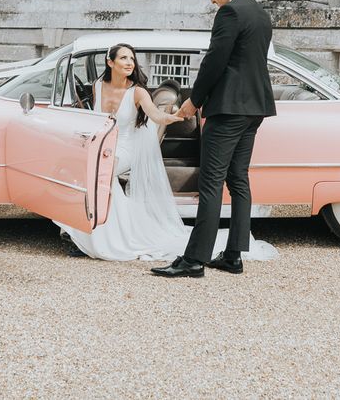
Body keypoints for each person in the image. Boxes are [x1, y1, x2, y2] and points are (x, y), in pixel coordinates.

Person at [58, 43, 277, 263]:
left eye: (132, 59)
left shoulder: (137, 92)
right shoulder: (98, 86)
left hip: (126, 148)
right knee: (79, 170)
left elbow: (155, 115)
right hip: (104, 147)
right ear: (110, 62)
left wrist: (173, 116)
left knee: (101, 173)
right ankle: (94, 231)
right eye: (124, 58)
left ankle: (108, 237)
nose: (129, 63)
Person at [151, 0, 277, 278]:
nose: (212, 2)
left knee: (210, 183)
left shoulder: (231, 13)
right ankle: (233, 256)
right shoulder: (261, 14)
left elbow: (214, 62)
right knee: (238, 181)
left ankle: (193, 260)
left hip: (228, 108)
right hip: (255, 108)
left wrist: (194, 101)